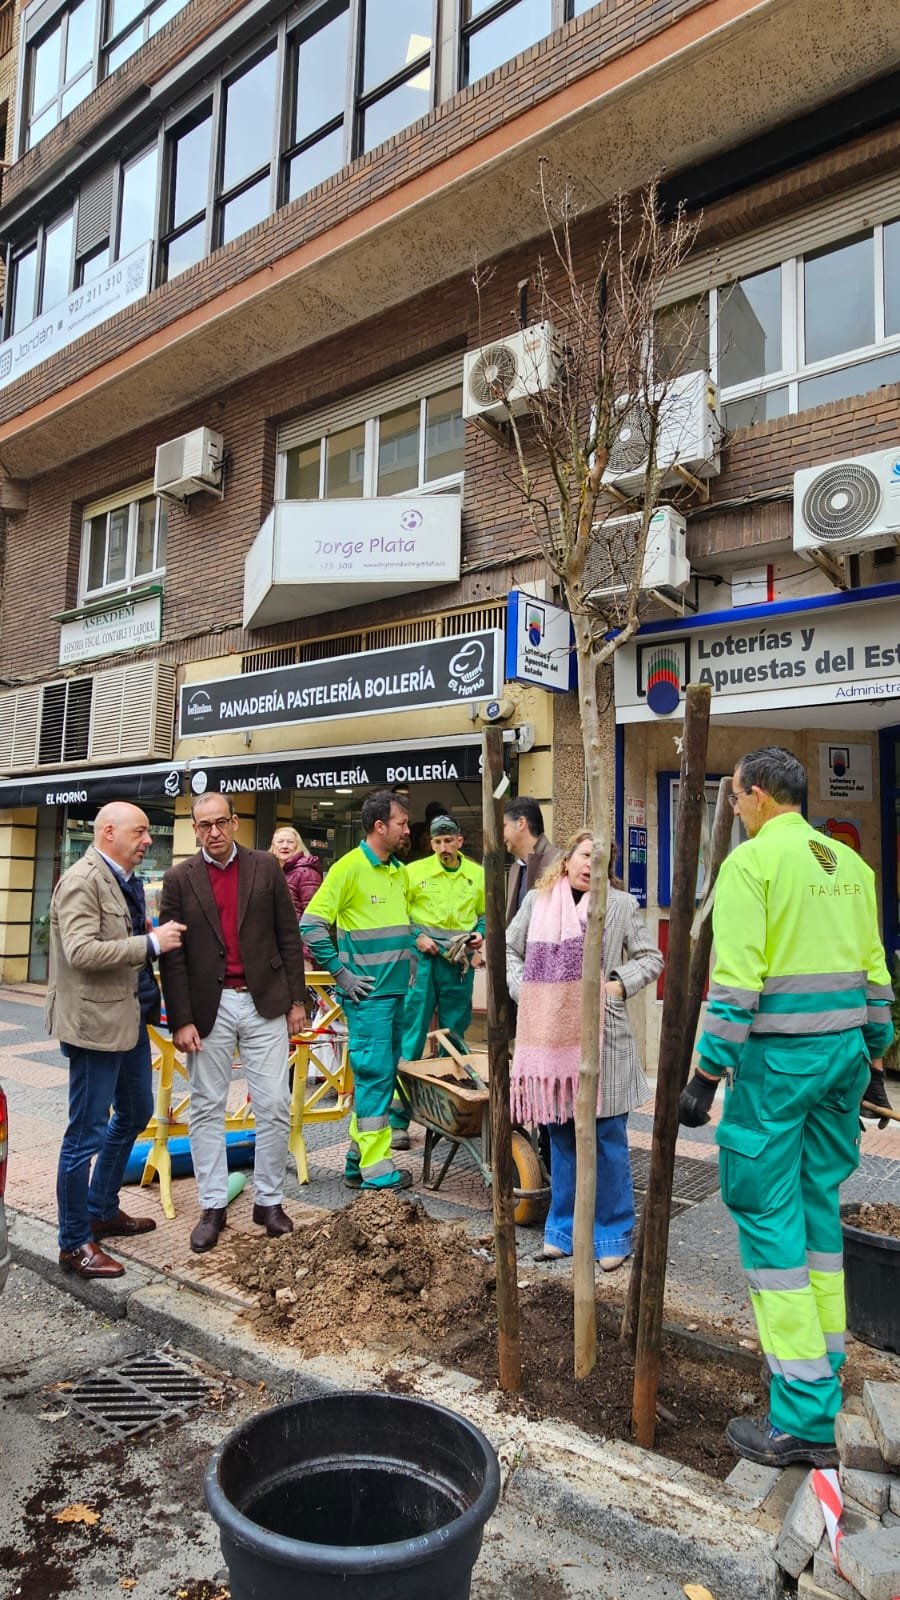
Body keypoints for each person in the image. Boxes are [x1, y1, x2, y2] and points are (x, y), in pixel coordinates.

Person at [679, 747, 894, 1468]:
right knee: (817, 1219)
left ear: (762, 795)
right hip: (840, 1063)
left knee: (771, 1230)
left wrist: (704, 1076)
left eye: (736, 797)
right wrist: (875, 1064)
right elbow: (875, 977)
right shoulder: (852, 868)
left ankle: (801, 1418)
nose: (735, 808)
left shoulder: (751, 866)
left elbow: (737, 983)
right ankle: (822, 1379)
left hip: (777, 1069)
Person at [507, 830, 663, 1267]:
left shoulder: (619, 905)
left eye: (598, 858)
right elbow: (508, 950)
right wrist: (529, 990)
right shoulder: (538, 903)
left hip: (604, 1041)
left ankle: (612, 1237)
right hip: (550, 1043)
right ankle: (562, 1230)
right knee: (562, 1140)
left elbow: (651, 958)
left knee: (608, 1141)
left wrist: (617, 984)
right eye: (582, 854)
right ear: (567, 858)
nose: (587, 864)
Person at [159, 793, 307, 1254]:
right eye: (204, 825)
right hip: (209, 1008)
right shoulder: (179, 878)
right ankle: (212, 1205)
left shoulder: (265, 866)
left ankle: (268, 1200)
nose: (214, 832)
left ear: (236, 822)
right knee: (206, 1106)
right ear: (195, 830)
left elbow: (288, 934)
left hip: (264, 1001)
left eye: (221, 822)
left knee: (275, 1103)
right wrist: (181, 1019)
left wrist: (297, 1001)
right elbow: (173, 957)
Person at [48, 803, 186, 1280]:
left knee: (135, 1110)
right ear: (109, 832)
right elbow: (81, 951)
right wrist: (151, 944)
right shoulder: (82, 880)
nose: (148, 840)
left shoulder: (124, 879)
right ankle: (73, 1242)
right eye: (141, 832)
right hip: (93, 1028)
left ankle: (101, 1208)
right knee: (84, 1133)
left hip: (126, 1022)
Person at [301, 789, 414, 1191]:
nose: (406, 829)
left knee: (377, 1077)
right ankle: (378, 1169)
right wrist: (341, 975)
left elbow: (401, 926)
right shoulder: (348, 868)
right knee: (375, 1078)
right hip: (369, 999)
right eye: (401, 822)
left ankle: (356, 1160)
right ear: (379, 826)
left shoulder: (398, 871)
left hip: (394, 995)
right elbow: (311, 925)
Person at [390, 814, 485, 1149]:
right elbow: (397, 912)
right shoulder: (412, 873)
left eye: (449, 841)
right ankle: (397, 1120)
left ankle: (457, 1113)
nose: (444, 847)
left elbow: (485, 915)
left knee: (455, 1037)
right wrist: (416, 935)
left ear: (460, 841)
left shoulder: (477, 875)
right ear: (430, 844)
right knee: (411, 1036)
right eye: (438, 842)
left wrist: (479, 935)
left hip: (457, 963)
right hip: (422, 962)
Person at [503, 796, 560, 922]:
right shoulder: (515, 868)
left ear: (521, 823)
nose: (500, 835)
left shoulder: (559, 863)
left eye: (504, 826)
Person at [269, 826, 322, 921]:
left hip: (294, 934)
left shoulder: (307, 872)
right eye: (280, 841)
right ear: (273, 847)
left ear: (298, 846)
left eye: (290, 842)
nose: (285, 846)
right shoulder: (270, 871)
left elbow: (313, 914)